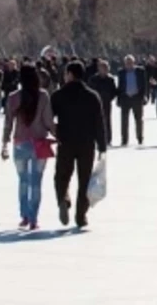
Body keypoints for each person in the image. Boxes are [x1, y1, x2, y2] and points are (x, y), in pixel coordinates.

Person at [51, 61, 106, 229]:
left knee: (61, 175)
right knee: (85, 180)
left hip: (66, 142)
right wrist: (102, 146)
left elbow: (49, 118)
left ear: (70, 74)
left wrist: (56, 132)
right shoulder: (92, 95)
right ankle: (81, 215)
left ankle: (63, 199)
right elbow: (99, 122)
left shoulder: (59, 95)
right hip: (87, 143)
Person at [2, 64, 55, 230]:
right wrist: (58, 134)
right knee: (36, 182)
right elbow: (48, 121)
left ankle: (24, 215)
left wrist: (4, 143)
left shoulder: (13, 97)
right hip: (39, 144)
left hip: (20, 144)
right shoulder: (43, 96)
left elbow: (8, 123)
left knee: (23, 180)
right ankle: (34, 218)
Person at [116, 55, 147, 147]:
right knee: (124, 120)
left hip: (137, 97)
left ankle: (140, 138)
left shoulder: (140, 71)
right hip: (125, 98)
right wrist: (119, 99)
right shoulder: (121, 72)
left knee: (139, 120)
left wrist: (145, 96)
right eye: (127, 63)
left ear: (134, 63)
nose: (128, 64)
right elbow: (120, 86)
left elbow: (144, 84)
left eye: (130, 62)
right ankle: (124, 139)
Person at [87, 59, 117, 145]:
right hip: (95, 104)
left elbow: (114, 91)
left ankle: (108, 139)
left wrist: (109, 97)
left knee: (107, 121)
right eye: (102, 68)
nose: (104, 70)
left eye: (105, 68)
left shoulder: (110, 79)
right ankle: (95, 138)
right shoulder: (93, 79)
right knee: (95, 121)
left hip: (107, 103)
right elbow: (90, 90)